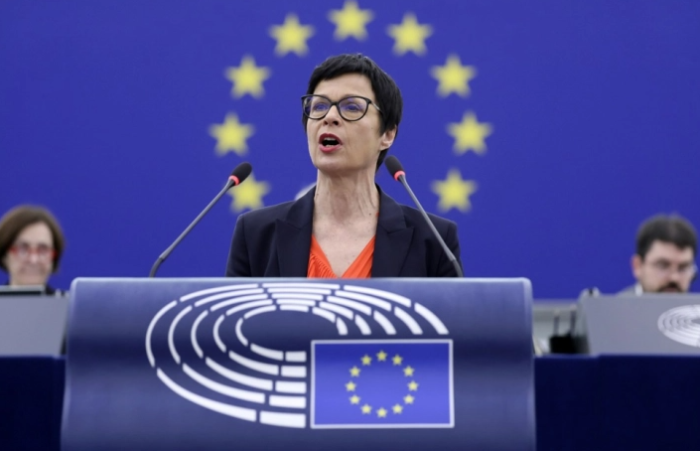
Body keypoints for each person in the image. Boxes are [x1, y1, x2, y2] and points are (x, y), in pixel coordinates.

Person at [226, 53, 462, 278]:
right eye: (319, 106)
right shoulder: (256, 234)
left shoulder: (435, 241)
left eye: (351, 107)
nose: (329, 116)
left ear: (388, 134)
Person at [622, 214, 697, 294]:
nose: (674, 278)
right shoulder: (617, 302)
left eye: (683, 268)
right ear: (637, 266)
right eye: (663, 266)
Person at [0, 205, 65, 294]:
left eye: (43, 250)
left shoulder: (69, 302)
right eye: (23, 249)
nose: (33, 260)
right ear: (4, 256)